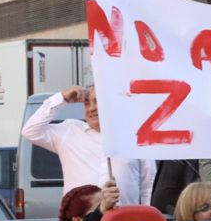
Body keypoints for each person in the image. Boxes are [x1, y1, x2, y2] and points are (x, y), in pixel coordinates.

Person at [21, 85, 155, 206]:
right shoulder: (70, 131)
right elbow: (30, 131)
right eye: (86, 103)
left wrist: (147, 220)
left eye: (98, 102)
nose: (91, 108)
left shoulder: (135, 137)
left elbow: (148, 185)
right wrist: (62, 98)